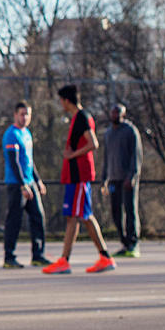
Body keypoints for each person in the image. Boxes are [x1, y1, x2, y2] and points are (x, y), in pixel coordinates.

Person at [42, 85, 116, 275]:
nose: (61, 104)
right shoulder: (78, 118)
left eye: (61, 101)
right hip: (75, 175)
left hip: (79, 175)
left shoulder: (82, 117)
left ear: (66, 100)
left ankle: (64, 260)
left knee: (72, 218)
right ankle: (105, 257)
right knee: (85, 216)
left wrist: (73, 154)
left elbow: (93, 143)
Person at [1, 101, 50, 269]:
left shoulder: (27, 134)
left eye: (27, 114)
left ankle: (38, 255)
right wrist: (22, 185)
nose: (25, 117)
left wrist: (38, 180)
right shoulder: (11, 134)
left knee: (38, 217)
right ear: (15, 115)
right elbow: (14, 163)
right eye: (22, 114)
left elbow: (29, 161)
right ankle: (9, 257)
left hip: (30, 183)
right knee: (14, 221)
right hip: (17, 185)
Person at [103, 103, 142, 258]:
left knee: (130, 210)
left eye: (118, 113)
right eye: (113, 113)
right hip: (113, 179)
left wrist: (132, 176)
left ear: (123, 115)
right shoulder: (108, 133)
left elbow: (136, 156)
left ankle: (133, 243)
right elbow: (106, 158)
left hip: (127, 179)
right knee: (116, 212)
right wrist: (104, 178)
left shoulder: (131, 131)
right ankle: (124, 242)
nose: (115, 115)